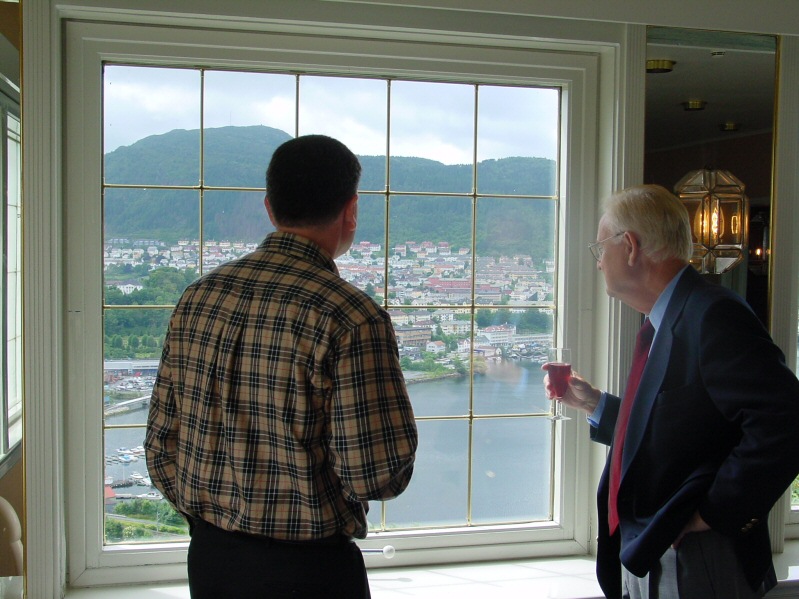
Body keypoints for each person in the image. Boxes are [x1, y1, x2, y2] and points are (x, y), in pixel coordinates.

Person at [145, 134, 418, 598]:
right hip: (309, 571)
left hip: (211, 560)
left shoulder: (198, 296)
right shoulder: (351, 317)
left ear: (270, 208)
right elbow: (375, 474)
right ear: (351, 209)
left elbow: (159, 445)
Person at [544, 184, 799, 599]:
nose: (598, 263)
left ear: (630, 247)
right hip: (652, 552)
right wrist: (595, 404)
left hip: (697, 559)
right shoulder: (668, 319)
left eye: (600, 249)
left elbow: (786, 422)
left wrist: (713, 513)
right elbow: (682, 430)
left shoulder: (712, 313)